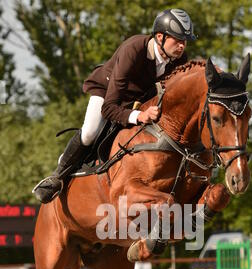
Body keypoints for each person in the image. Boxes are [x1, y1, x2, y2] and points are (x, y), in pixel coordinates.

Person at [33, 8, 196, 204]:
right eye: (177, 40)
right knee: (90, 132)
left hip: (138, 101)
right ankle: (57, 177)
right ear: (159, 36)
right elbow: (109, 108)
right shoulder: (134, 49)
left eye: (184, 41)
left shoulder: (179, 60)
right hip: (107, 92)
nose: (182, 46)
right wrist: (139, 116)